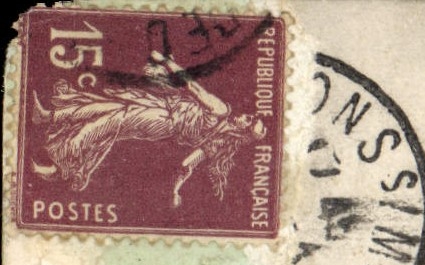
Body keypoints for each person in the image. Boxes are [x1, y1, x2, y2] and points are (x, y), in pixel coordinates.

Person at [32, 50, 264, 206]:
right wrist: (175, 190)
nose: (248, 116)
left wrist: (166, 62)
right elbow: (186, 166)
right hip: (162, 108)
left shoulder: (222, 111)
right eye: (253, 116)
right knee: (110, 107)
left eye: (250, 120)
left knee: (114, 118)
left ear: (244, 130)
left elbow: (193, 88)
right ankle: (50, 118)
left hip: (163, 118)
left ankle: (63, 162)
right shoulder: (216, 144)